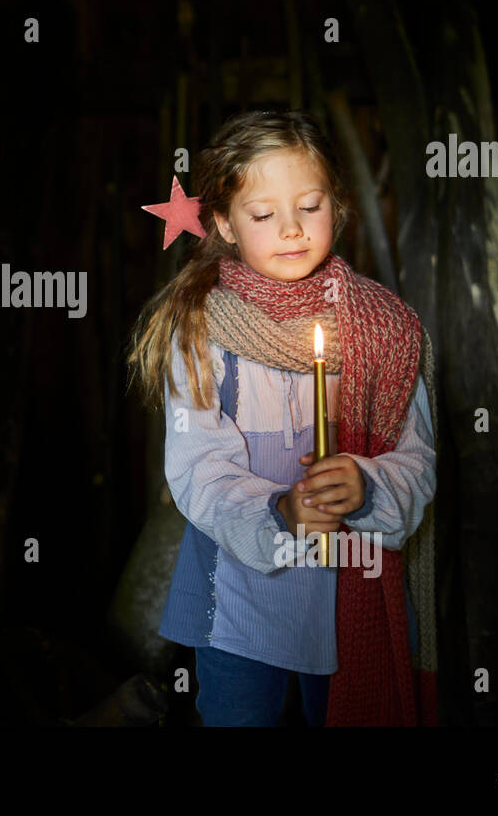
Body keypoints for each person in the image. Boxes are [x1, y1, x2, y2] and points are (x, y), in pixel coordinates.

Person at [126, 110, 439, 726]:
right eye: (264, 215)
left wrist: (367, 484)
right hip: (239, 606)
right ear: (224, 223)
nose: (291, 230)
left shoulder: (387, 330)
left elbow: (418, 464)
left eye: (310, 206)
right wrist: (282, 511)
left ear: (339, 207)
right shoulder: (203, 329)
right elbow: (199, 470)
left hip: (350, 604)